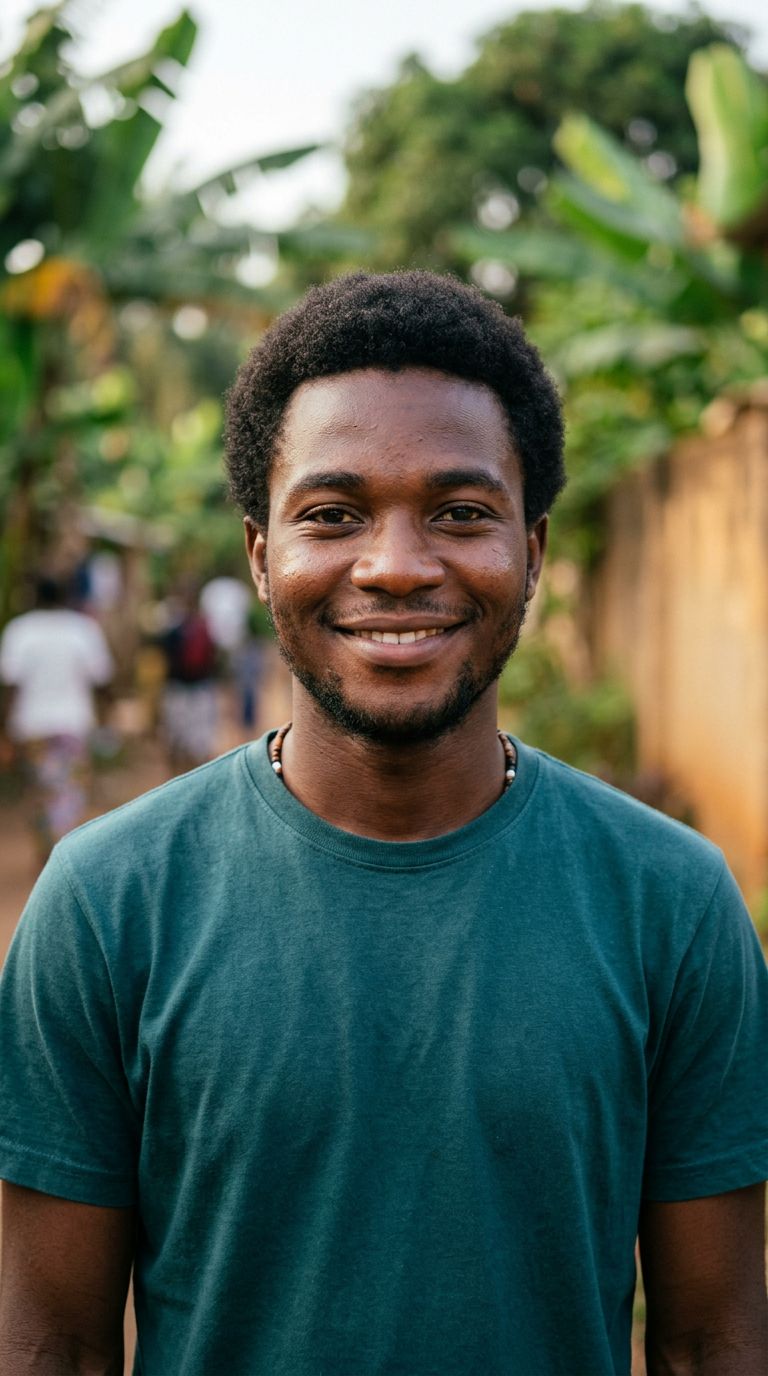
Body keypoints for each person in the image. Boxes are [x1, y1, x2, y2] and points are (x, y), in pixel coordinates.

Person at [0, 272, 765, 1376]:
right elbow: (55, 1347)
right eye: (333, 513)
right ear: (263, 554)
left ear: (534, 549)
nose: (397, 565)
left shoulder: (671, 901)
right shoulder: (107, 901)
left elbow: (712, 1339)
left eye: (460, 512)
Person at [0, 576, 114, 862]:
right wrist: (107, 720)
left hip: (31, 725)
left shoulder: (20, 630)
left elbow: (11, 685)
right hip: (72, 723)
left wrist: (4, 727)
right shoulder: (82, 629)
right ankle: (63, 852)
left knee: (41, 789)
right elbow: (102, 680)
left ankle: (46, 852)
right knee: (70, 788)